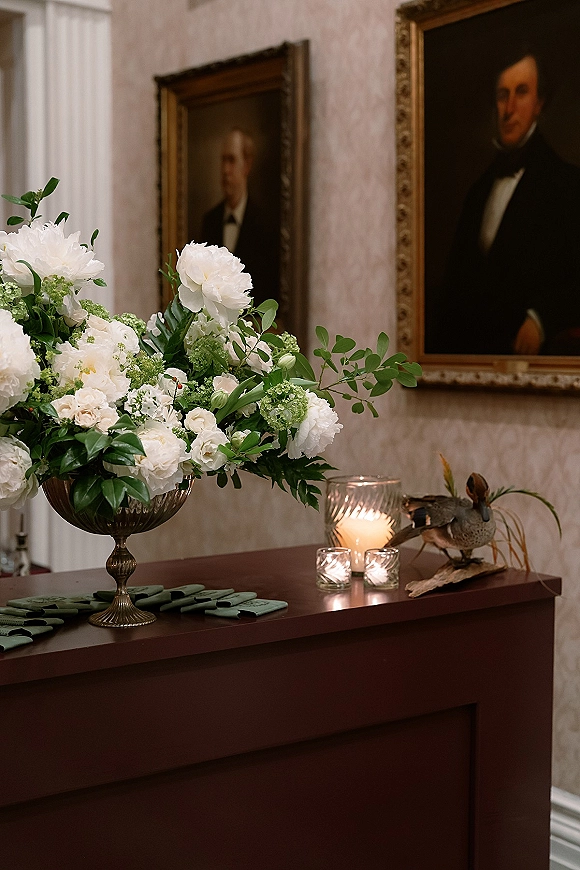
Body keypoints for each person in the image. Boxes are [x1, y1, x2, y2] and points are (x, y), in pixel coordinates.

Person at [431, 48, 580, 356]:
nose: (509, 108)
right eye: (503, 95)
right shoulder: (478, 192)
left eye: (521, 92)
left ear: (539, 103)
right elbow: (454, 290)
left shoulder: (567, 184)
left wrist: (542, 320)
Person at [199, 128, 279, 308]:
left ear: (247, 165)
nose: (225, 170)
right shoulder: (210, 221)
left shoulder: (266, 225)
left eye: (232, 160)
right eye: (223, 160)